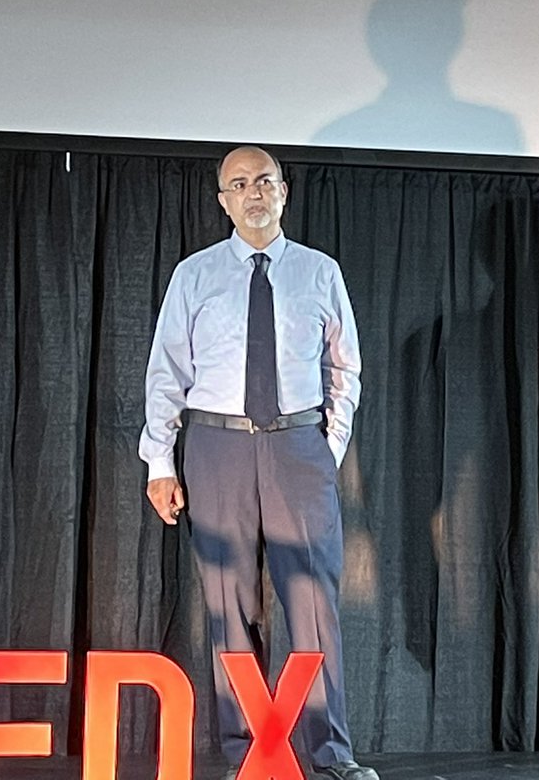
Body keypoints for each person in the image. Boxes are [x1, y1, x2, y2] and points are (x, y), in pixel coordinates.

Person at [139, 146, 378, 780]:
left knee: (313, 600)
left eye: (263, 181)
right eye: (238, 184)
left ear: (283, 191)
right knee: (227, 598)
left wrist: (324, 449)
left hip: (297, 445)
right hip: (216, 445)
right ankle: (249, 754)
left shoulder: (319, 272)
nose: (252, 193)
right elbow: (167, 373)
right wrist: (160, 460)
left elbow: (343, 369)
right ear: (223, 200)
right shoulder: (195, 275)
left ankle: (330, 757)